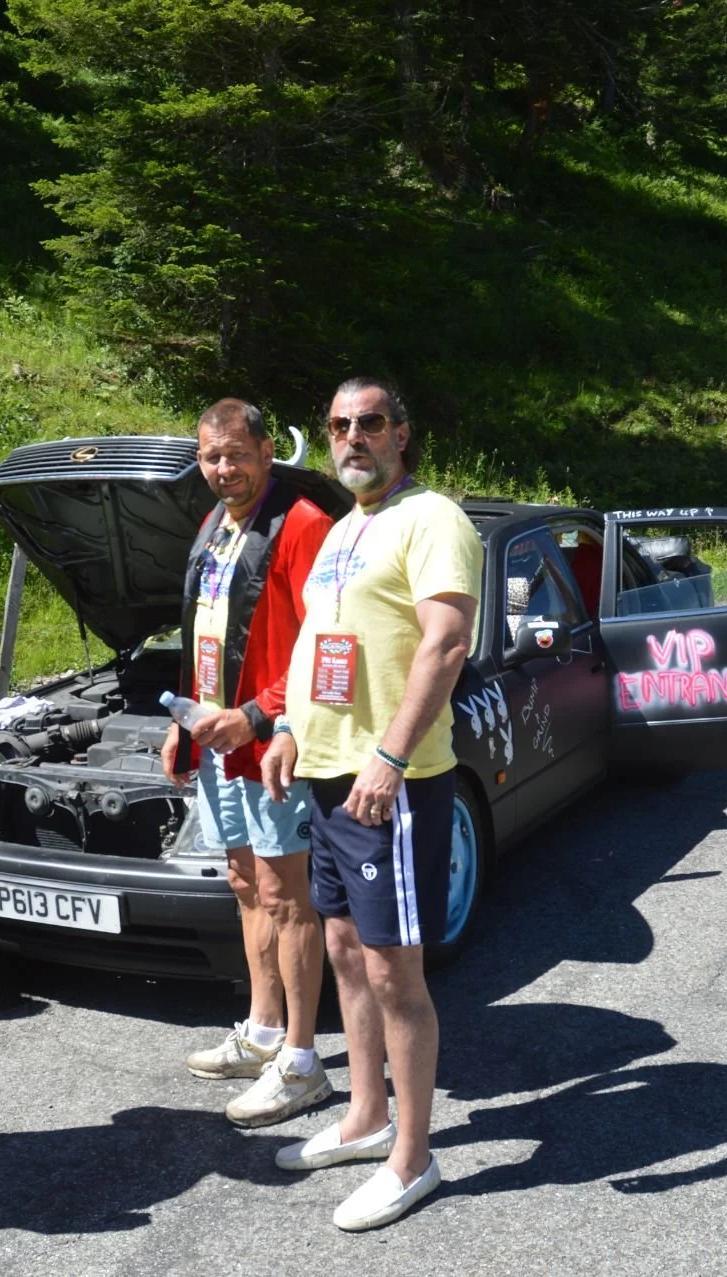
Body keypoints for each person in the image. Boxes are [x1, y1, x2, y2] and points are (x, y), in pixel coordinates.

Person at [261, 377, 481, 1231]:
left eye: (371, 423)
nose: (353, 437)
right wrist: (286, 727)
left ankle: (413, 1157)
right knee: (346, 950)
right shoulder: (348, 529)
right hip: (329, 773)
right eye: (339, 426)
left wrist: (389, 755)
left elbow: (447, 640)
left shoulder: (433, 519)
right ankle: (364, 1116)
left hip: (391, 780)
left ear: (402, 434)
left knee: (395, 970)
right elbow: (326, 645)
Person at [161, 398, 335, 1127]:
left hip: (273, 740)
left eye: (236, 454)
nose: (224, 469)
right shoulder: (214, 524)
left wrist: (260, 715)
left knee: (285, 889)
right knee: (243, 879)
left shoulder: (303, 524)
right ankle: (264, 1028)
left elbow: (322, 640)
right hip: (218, 735)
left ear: (269, 452)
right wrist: (188, 724)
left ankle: (302, 1059)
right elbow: (204, 630)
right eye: (211, 457)